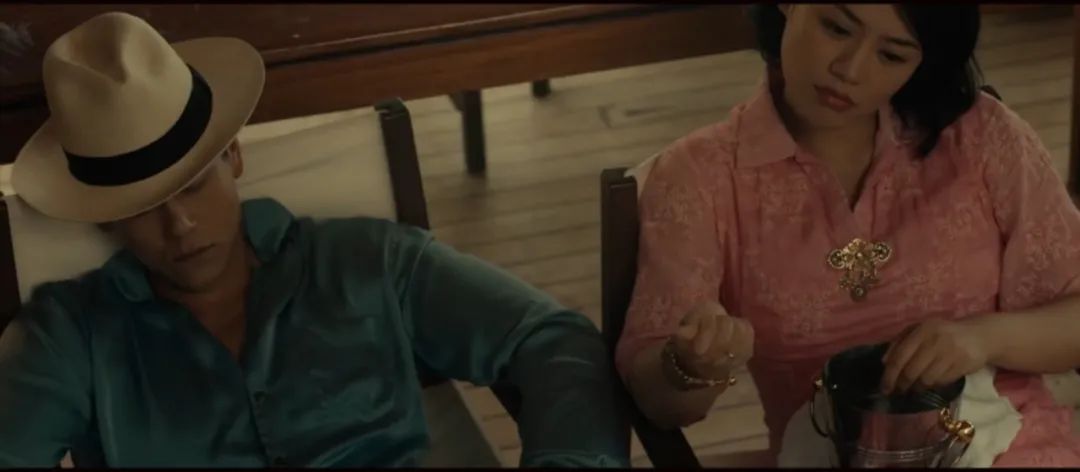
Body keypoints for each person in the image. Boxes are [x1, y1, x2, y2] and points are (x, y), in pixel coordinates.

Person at [0, 12, 630, 467]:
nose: (181, 225)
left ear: (234, 155)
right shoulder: (71, 337)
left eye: (194, 186)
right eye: (145, 209)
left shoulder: (366, 262)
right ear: (106, 218)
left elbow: (551, 339)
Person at [615, 3, 1080, 467]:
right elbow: (658, 403)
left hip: (1019, 448)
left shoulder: (979, 136)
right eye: (836, 28)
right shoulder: (702, 176)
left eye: (892, 55)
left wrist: (983, 338)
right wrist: (692, 365)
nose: (850, 70)